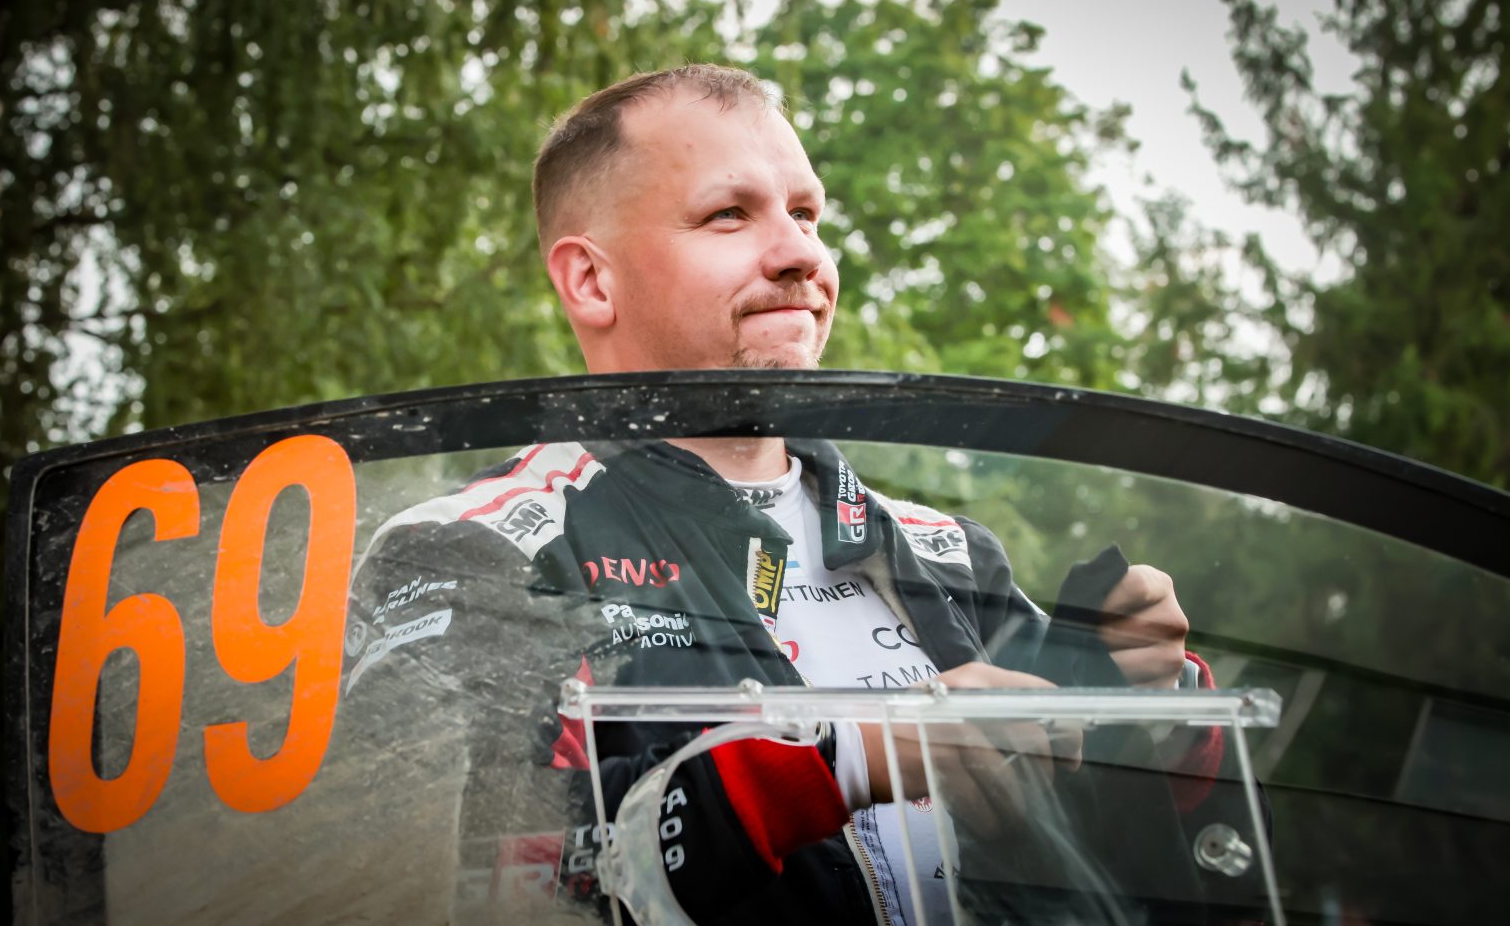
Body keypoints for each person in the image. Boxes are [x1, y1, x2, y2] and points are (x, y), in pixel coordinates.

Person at [337, 65, 1240, 924]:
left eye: (806, 214)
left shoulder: (950, 553)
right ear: (591, 279)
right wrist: (850, 755)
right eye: (729, 214)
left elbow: (1135, 855)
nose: (800, 253)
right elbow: (452, 880)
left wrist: (1143, 696)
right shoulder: (476, 548)